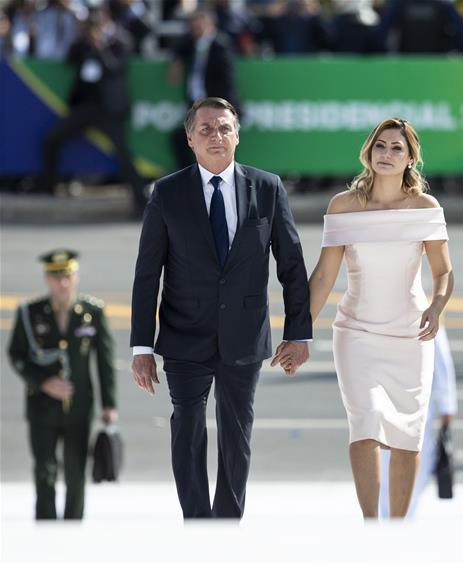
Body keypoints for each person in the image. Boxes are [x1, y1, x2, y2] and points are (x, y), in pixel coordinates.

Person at [130, 97, 312, 519]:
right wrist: (142, 347)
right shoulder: (168, 192)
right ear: (190, 139)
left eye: (225, 127)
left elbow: (291, 265)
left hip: (244, 336)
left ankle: (227, 524)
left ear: (237, 134)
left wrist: (298, 334)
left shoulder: (267, 188)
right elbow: (146, 273)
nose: (217, 135)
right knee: (188, 428)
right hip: (183, 335)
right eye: (206, 129)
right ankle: (196, 521)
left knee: (237, 433)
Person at [307, 117, 453, 520]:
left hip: (411, 335)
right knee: (367, 422)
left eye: (397, 148)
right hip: (356, 332)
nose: (387, 154)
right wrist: (296, 334)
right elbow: (322, 276)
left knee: (408, 434)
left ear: (410, 159)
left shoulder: (426, 208)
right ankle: (371, 524)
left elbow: (442, 272)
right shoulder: (343, 206)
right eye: (381, 146)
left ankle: (396, 528)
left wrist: (436, 307)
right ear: (369, 152)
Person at [8, 249, 117, 520]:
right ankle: (45, 527)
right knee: (44, 470)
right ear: (47, 279)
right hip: (41, 406)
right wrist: (43, 382)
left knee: (75, 470)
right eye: (57, 277)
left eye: (67, 276)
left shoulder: (92, 312)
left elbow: (104, 361)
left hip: (79, 406)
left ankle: (72, 529)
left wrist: (109, 404)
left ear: (75, 277)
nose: (63, 283)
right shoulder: (29, 313)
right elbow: (16, 354)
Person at [37, 8, 148, 214]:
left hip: (108, 110)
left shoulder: (121, 40)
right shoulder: (85, 41)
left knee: (123, 154)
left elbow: (114, 68)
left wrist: (99, 47)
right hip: (85, 107)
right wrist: (83, 38)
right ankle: (47, 187)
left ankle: (141, 204)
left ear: (107, 19)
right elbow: (70, 58)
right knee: (50, 139)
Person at [378, 327, 457, 519]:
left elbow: (441, 362)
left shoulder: (424, 312)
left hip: (419, 408)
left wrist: (447, 406)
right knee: (384, 470)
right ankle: (388, 519)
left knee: (418, 469)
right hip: (384, 407)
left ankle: (405, 517)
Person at [169, 11, 241, 169]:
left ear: (210, 24)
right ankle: (193, 176)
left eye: (199, 24)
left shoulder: (220, 44)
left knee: (208, 140)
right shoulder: (194, 42)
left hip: (214, 104)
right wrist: (176, 60)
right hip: (198, 104)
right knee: (182, 138)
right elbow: (179, 47)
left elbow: (225, 80)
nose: (196, 28)